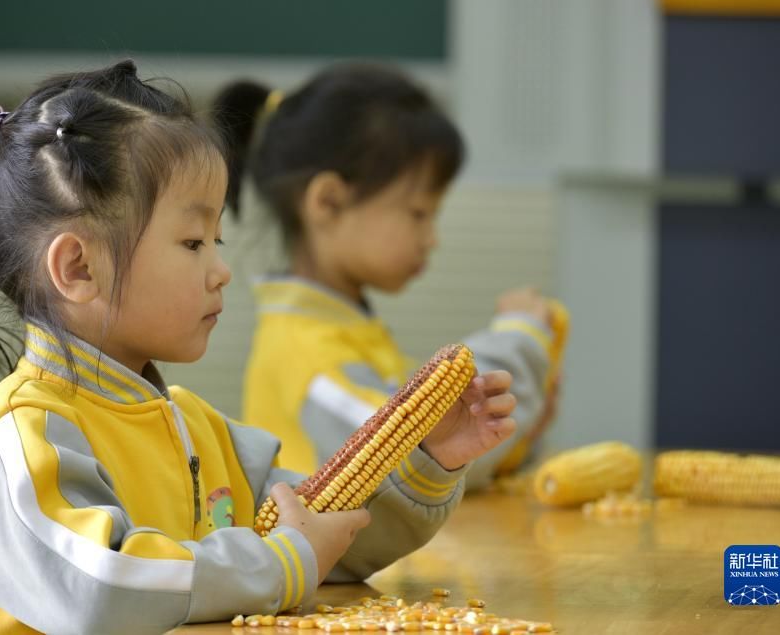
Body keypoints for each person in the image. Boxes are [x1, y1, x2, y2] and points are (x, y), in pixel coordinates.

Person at [0, 60, 517, 633]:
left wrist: (428, 463)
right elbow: (105, 583)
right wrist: (281, 563)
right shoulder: (23, 439)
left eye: (218, 239)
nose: (221, 270)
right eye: (195, 243)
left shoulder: (202, 431)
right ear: (79, 269)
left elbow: (324, 531)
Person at [214, 63, 560, 490]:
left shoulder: (347, 329)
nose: (431, 238)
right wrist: (519, 341)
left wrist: (521, 431)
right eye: (418, 213)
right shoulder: (306, 356)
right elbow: (421, 452)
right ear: (328, 201)